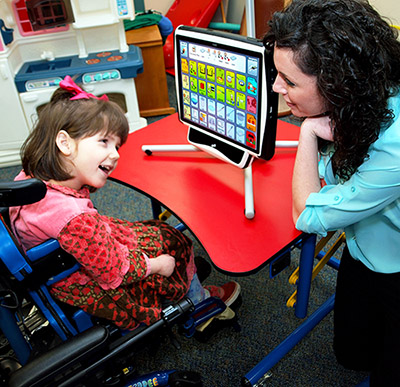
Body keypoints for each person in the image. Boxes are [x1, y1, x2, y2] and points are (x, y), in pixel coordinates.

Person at [10, 76, 240, 331]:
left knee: (159, 232)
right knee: (172, 241)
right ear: (64, 143)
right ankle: (200, 308)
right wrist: (158, 265)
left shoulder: (28, 179)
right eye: (104, 141)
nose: (116, 154)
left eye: (116, 145)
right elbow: (113, 271)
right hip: (88, 279)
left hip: (62, 263)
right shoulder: (74, 218)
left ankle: (186, 278)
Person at [264, 0, 400, 385]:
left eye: (289, 81)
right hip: (362, 247)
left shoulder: (395, 144)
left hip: (396, 266)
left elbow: (307, 216)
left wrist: (307, 131)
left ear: (337, 84)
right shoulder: (359, 101)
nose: (277, 87)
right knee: (352, 353)